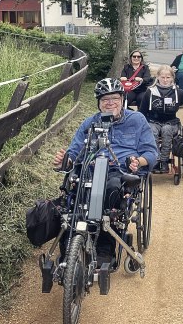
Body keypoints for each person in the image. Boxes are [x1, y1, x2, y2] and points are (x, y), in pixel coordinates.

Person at [53, 78, 158, 264]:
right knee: (74, 196)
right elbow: (75, 151)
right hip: (90, 168)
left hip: (120, 171)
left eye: (114, 98)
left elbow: (150, 152)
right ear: (99, 103)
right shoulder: (89, 123)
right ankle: (69, 248)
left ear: (122, 99)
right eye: (104, 100)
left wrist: (138, 161)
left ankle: (104, 248)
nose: (110, 103)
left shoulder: (137, 120)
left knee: (110, 193)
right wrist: (66, 161)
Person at [139, 65, 183, 172]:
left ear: (172, 78)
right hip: (153, 121)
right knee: (152, 130)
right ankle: (155, 160)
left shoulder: (178, 92)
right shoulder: (150, 92)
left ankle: (164, 161)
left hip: (171, 123)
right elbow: (142, 112)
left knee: (166, 130)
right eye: (162, 77)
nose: (165, 80)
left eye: (168, 77)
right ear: (157, 77)